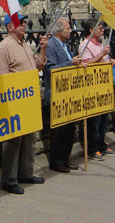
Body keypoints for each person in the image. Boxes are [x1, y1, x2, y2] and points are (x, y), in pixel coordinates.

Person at [0, 13, 48, 194]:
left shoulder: (24, 44)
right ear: (10, 27)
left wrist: (43, 49)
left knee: (30, 139)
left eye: (24, 22)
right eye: (20, 22)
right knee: (13, 141)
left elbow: (38, 66)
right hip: (14, 101)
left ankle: (26, 173)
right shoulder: (3, 47)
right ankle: (9, 179)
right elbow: (2, 76)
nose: (24, 25)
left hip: (29, 101)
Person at [43, 18, 82, 173]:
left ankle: (66, 159)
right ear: (58, 31)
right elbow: (50, 70)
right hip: (56, 95)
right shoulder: (51, 46)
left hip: (68, 94)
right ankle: (57, 161)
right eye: (67, 28)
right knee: (59, 132)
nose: (70, 30)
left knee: (70, 130)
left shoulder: (64, 45)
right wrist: (70, 63)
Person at [78, 19, 115, 161]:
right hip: (92, 87)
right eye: (100, 28)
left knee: (104, 119)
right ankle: (93, 149)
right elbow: (87, 63)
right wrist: (101, 55)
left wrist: (110, 61)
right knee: (94, 121)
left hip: (104, 86)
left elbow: (102, 62)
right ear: (91, 30)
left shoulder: (100, 45)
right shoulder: (85, 45)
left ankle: (102, 144)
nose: (102, 31)